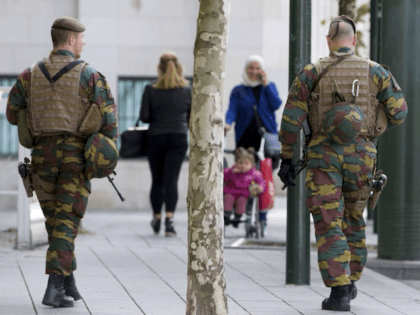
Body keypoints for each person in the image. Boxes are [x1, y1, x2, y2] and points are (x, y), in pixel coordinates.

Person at [278, 15, 407, 312]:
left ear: (328, 41)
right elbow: (399, 113)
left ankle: (339, 293)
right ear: (353, 39)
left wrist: (286, 158)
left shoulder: (311, 72)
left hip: (323, 156)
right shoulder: (376, 71)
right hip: (363, 156)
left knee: (328, 221)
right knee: (353, 217)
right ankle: (350, 281)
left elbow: (291, 119)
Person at [6, 17, 118, 308]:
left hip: (41, 158)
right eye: (81, 38)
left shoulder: (28, 75)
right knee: (66, 223)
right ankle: (54, 288)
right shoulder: (90, 75)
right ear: (70, 40)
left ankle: (69, 283)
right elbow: (109, 122)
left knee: (57, 222)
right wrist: (104, 156)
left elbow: (10, 113)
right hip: (74, 158)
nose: (83, 43)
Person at [224, 54, 282, 227]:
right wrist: (227, 123)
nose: (254, 72)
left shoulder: (269, 87)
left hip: (267, 138)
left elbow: (276, 104)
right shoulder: (238, 90)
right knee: (243, 173)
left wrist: (266, 84)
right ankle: (243, 208)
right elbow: (231, 110)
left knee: (264, 175)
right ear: (246, 70)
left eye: (257, 68)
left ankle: (262, 216)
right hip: (245, 137)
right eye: (251, 68)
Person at [140, 51, 191, 237]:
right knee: (172, 180)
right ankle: (169, 221)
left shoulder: (150, 89)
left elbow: (144, 117)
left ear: (159, 68)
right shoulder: (187, 89)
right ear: (179, 67)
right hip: (178, 137)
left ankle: (156, 219)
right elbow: (191, 116)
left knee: (157, 180)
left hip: (155, 138)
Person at [223, 147, 266, 227]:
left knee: (241, 201)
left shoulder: (254, 174)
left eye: (246, 163)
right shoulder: (231, 171)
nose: (243, 165)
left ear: (252, 164)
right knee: (228, 198)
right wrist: (230, 172)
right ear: (235, 163)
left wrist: (260, 187)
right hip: (230, 192)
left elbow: (262, 182)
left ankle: (238, 216)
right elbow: (223, 177)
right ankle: (226, 214)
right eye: (240, 163)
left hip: (244, 194)